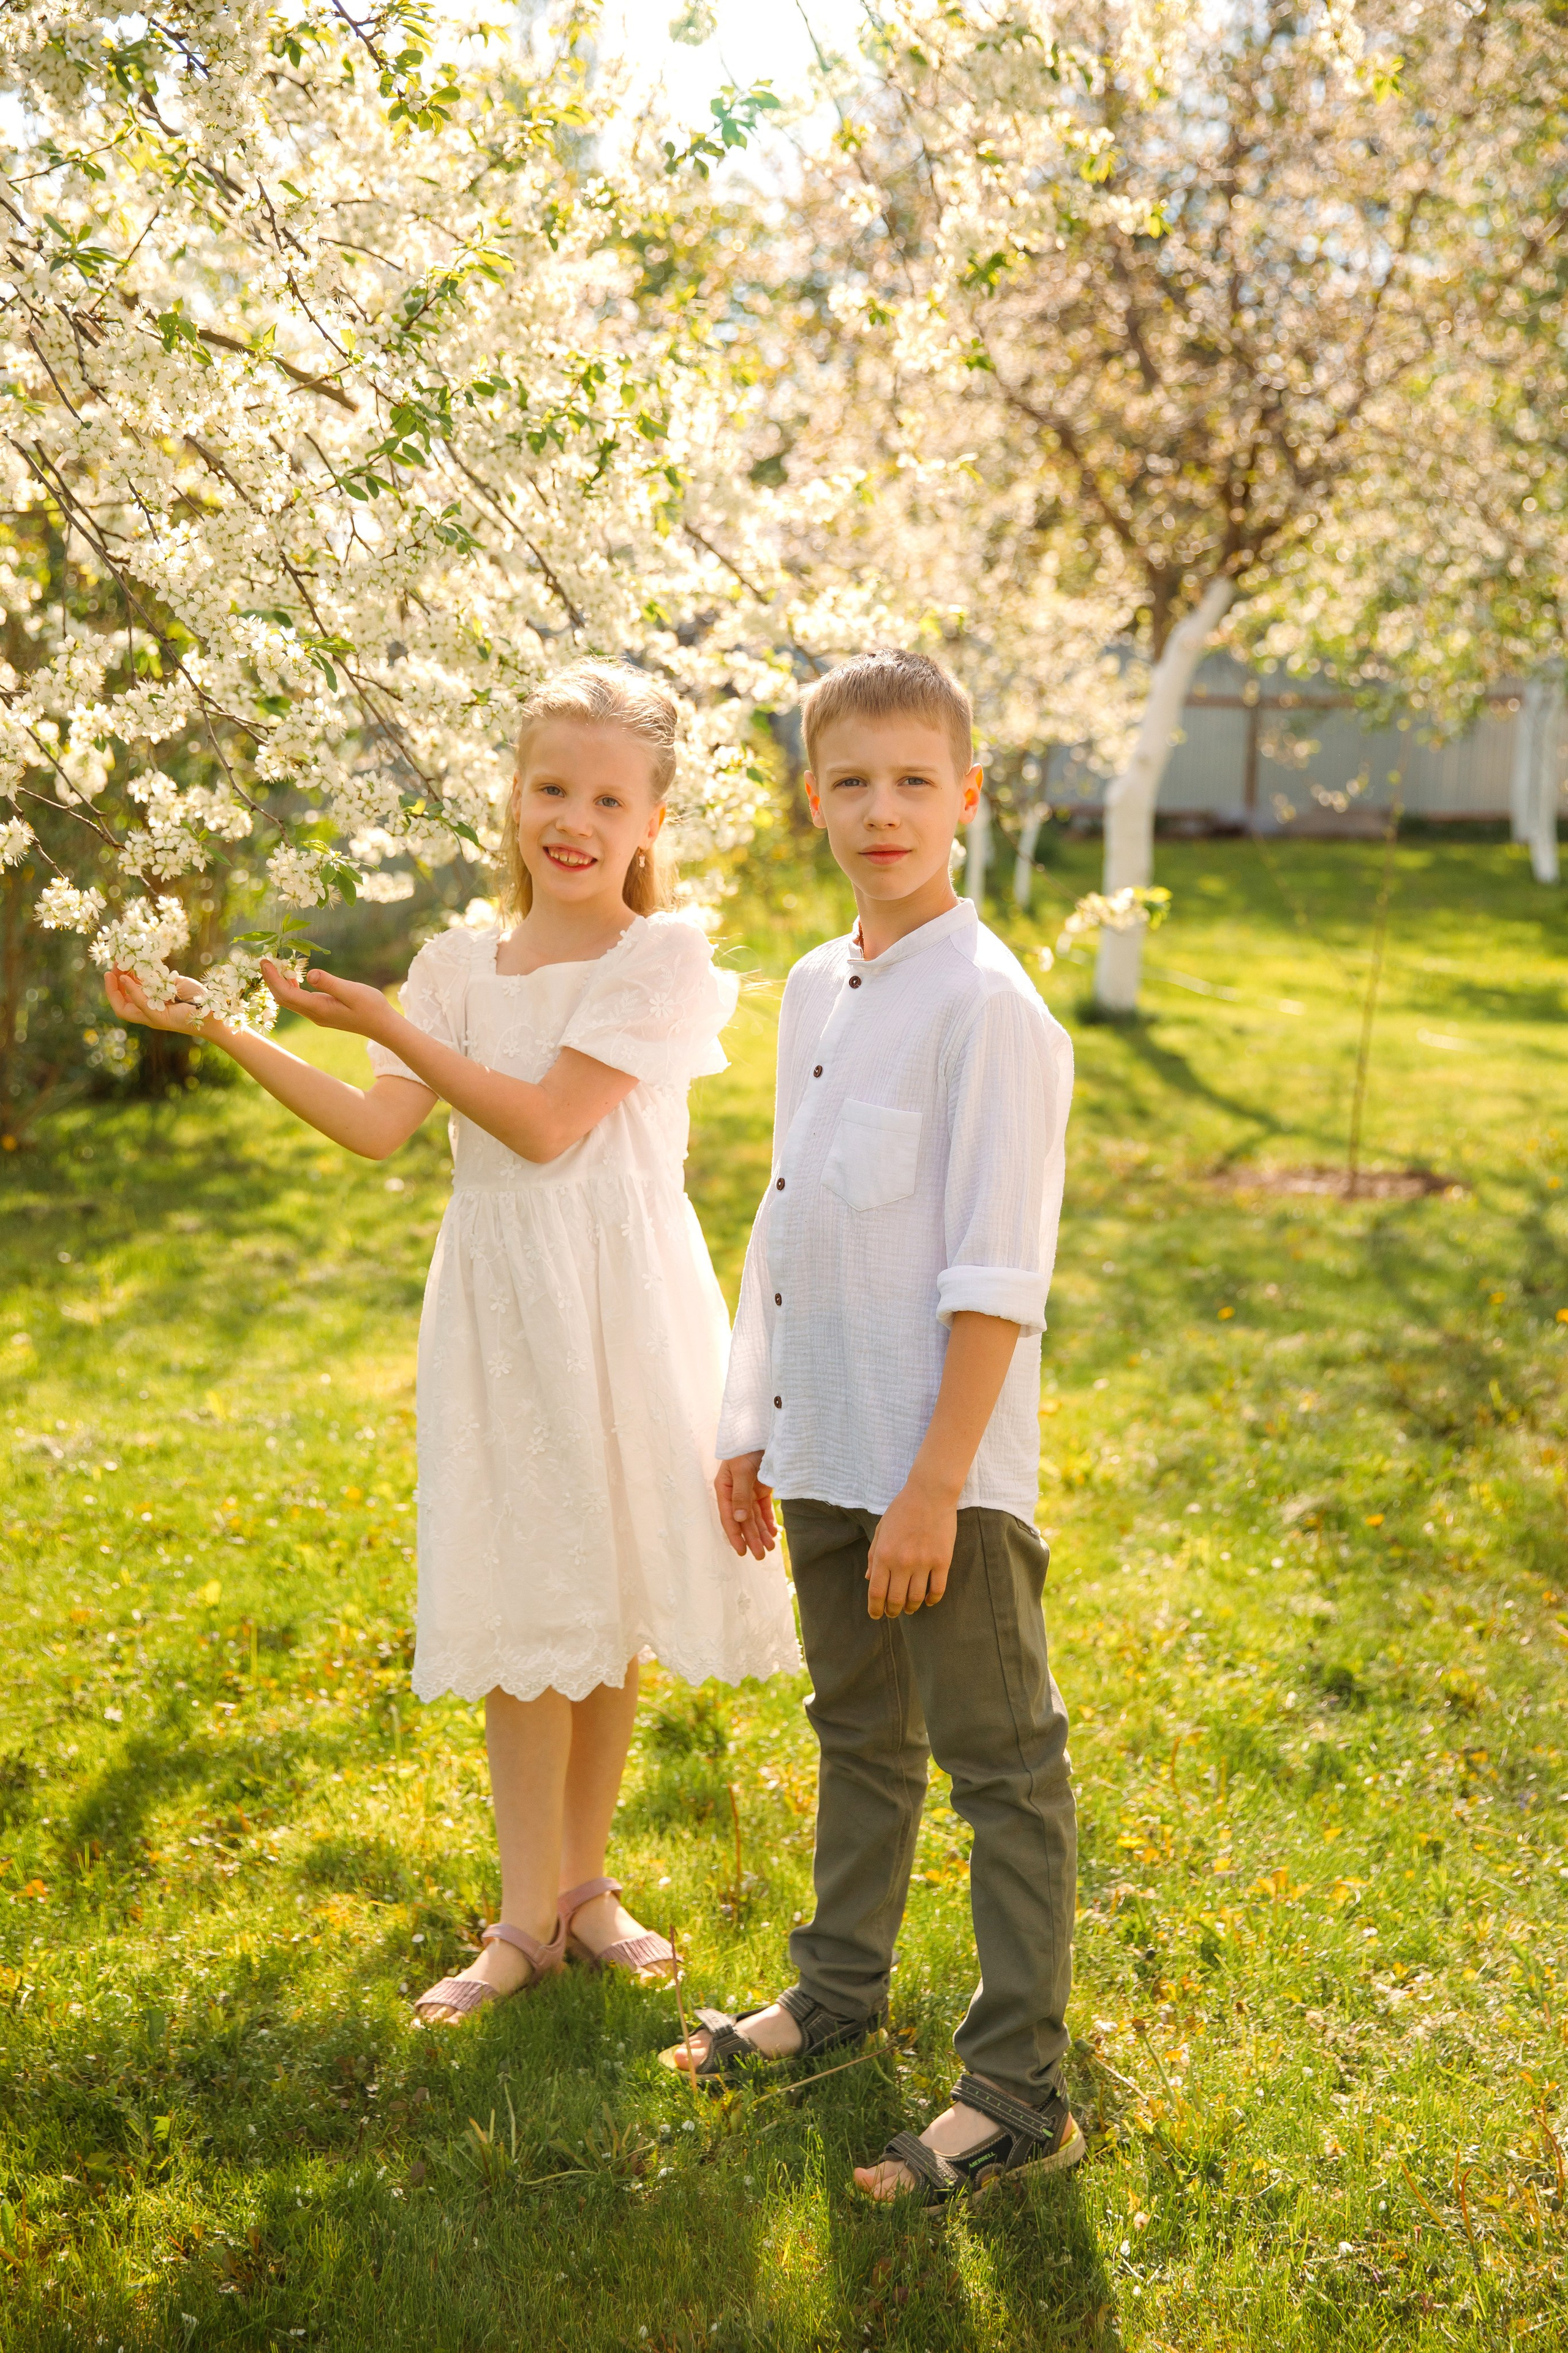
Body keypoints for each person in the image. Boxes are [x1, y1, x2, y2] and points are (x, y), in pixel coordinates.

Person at [106, 659, 801, 2023]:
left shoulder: (656, 959)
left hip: (622, 1289)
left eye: (609, 796)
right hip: (499, 1298)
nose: (575, 819)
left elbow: (547, 1124)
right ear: (513, 797)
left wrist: (388, 1030)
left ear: (651, 819)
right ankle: (519, 1916)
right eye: (552, 787)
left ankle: (584, 1893)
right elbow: (378, 1127)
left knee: (607, 1592)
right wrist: (228, 1025)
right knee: (523, 1587)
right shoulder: (451, 966)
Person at [668, 649, 1082, 2205]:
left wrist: (933, 1485)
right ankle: (836, 1998)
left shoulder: (989, 1010)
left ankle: (1014, 2089)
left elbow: (993, 1278)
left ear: (966, 798)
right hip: (823, 1437)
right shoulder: (813, 988)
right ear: (812, 801)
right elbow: (786, 1220)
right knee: (856, 1733)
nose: (882, 808)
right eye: (851, 781)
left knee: (999, 1769)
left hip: (938, 1475)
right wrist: (745, 1412)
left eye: (916, 780)